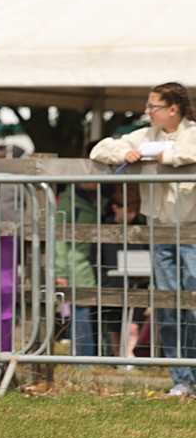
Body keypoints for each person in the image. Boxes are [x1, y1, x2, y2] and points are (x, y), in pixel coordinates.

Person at [91, 81, 196, 395]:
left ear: (173, 109)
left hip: (193, 231)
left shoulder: (192, 134)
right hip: (161, 232)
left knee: (192, 305)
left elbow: (188, 152)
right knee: (167, 306)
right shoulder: (143, 135)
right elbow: (99, 149)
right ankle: (182, 379)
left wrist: (169, 156)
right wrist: (127, 152)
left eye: (153, 106)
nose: (147, 111)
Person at [95, 186, 148, 362]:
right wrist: (102, 280)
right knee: (115, 325)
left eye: (135, 211)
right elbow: (95, 256)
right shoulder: (103, 227)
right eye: (128, 210)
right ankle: (118, 358)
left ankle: (130, 357)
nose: (131, 215)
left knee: (133, 325)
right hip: (112, 283)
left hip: (138, 283)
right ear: (115, 207)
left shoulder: (142, 227)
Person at [54, 180, 99, 358]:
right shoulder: (68, 204)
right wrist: (62, 272)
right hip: (76, 264)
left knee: (89, 311)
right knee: (82, 311)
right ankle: (83, 358)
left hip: (89, 261)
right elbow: (59, 239)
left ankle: (93, 355)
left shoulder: (92, 199)